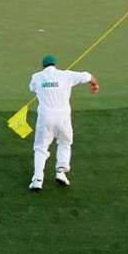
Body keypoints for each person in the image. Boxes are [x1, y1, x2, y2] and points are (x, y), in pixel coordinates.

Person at [27, 55, 99, 191]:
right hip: (63, 118)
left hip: (45, 118)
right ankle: (61, 172)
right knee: (65, 143)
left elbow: (32, 88)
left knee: (41, 148)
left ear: (43, 66)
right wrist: (95, 85)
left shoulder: (36, 77)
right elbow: (88, 76)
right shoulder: (67, 75)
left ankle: (37, 180)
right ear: (55, 65)